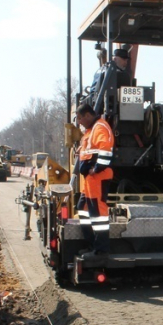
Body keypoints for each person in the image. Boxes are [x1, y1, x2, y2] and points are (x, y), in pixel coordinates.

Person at [75, 103, 114, 256]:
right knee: (83, 209)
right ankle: (92, 245)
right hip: (90, 180)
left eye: (80, 118)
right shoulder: (91, 130)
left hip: (97, 177)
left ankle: (101, 250)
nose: (79, 122)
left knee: (99, 214)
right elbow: (92, 150)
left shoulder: (100, 128)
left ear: (88, 115)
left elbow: (105, 151)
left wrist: (96, 169)